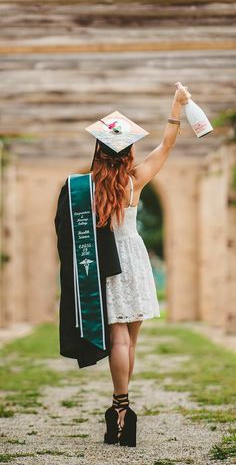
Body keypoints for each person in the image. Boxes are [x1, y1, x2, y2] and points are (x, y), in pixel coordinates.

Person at [54, 82, 191, 447]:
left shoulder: (89, 187)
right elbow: (167, 146)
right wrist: (175, 106)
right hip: (134, 259)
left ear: (98, 151)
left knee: (117, 338)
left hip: (107, 263)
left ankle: (120, 407)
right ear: (128, 151)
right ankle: (123, 408)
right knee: (130, 342)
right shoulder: (136, 181)